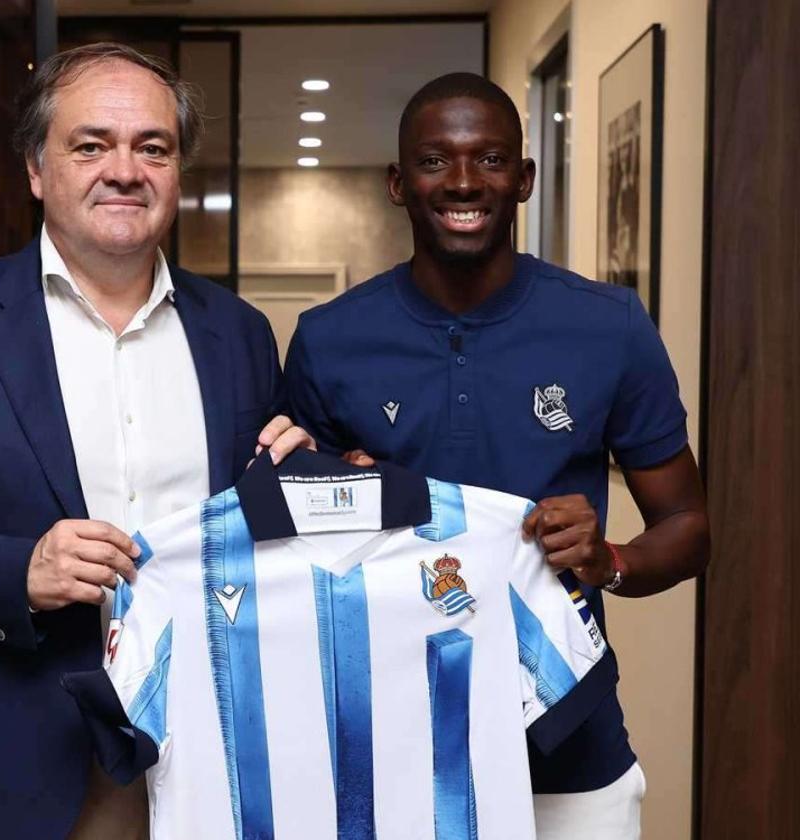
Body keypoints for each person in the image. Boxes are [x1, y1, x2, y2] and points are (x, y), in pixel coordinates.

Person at [0, 43, 312, 840]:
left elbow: (260, 527)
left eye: (151, 148)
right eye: (90, 145)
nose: (124, 170)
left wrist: (304, 478)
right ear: (36, 169)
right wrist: (19, 569)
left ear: (176, 173)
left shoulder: (239, 334)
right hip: (6, 764)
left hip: (207, 757)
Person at [283, 73, 709, 839]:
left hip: (569, 750)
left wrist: (608, 557)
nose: (464, 182)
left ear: (524, 178)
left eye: (489, 159)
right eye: (436, 161)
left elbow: (688, 526)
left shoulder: (607, 326)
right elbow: (289, 549)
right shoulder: (328, 338)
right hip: (387, 749)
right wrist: (338, 502)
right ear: (397, 182)